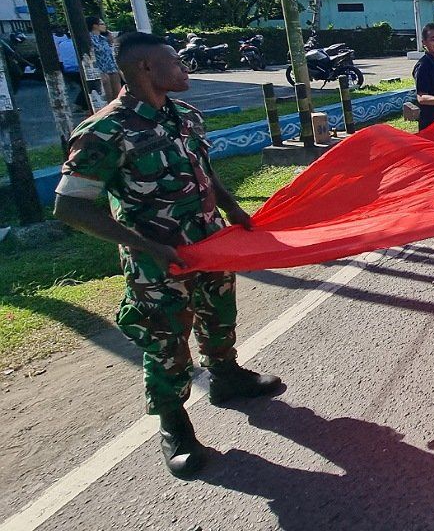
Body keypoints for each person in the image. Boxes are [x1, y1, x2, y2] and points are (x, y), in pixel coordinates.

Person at [52, 32, 282, 479]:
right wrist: (149, 247)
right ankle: (174, 427)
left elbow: (203, 170)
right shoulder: (105, 130)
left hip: (209, 244)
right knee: (166, 341)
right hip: (157, 259)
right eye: (174, 62)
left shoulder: (186, 116)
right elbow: (70, 206)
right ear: (144, 70)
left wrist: (233, 209)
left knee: (219, 314)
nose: (184, 69)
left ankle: (227, 377)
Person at [88, 16, 122, 101]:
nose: (104, 26)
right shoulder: (90, 39)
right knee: (108, 96)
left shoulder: (104, 39)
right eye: (102, 24)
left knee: (118, 96)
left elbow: (110, 53)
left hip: (112, 68)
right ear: (95, 26)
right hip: (102, 70)